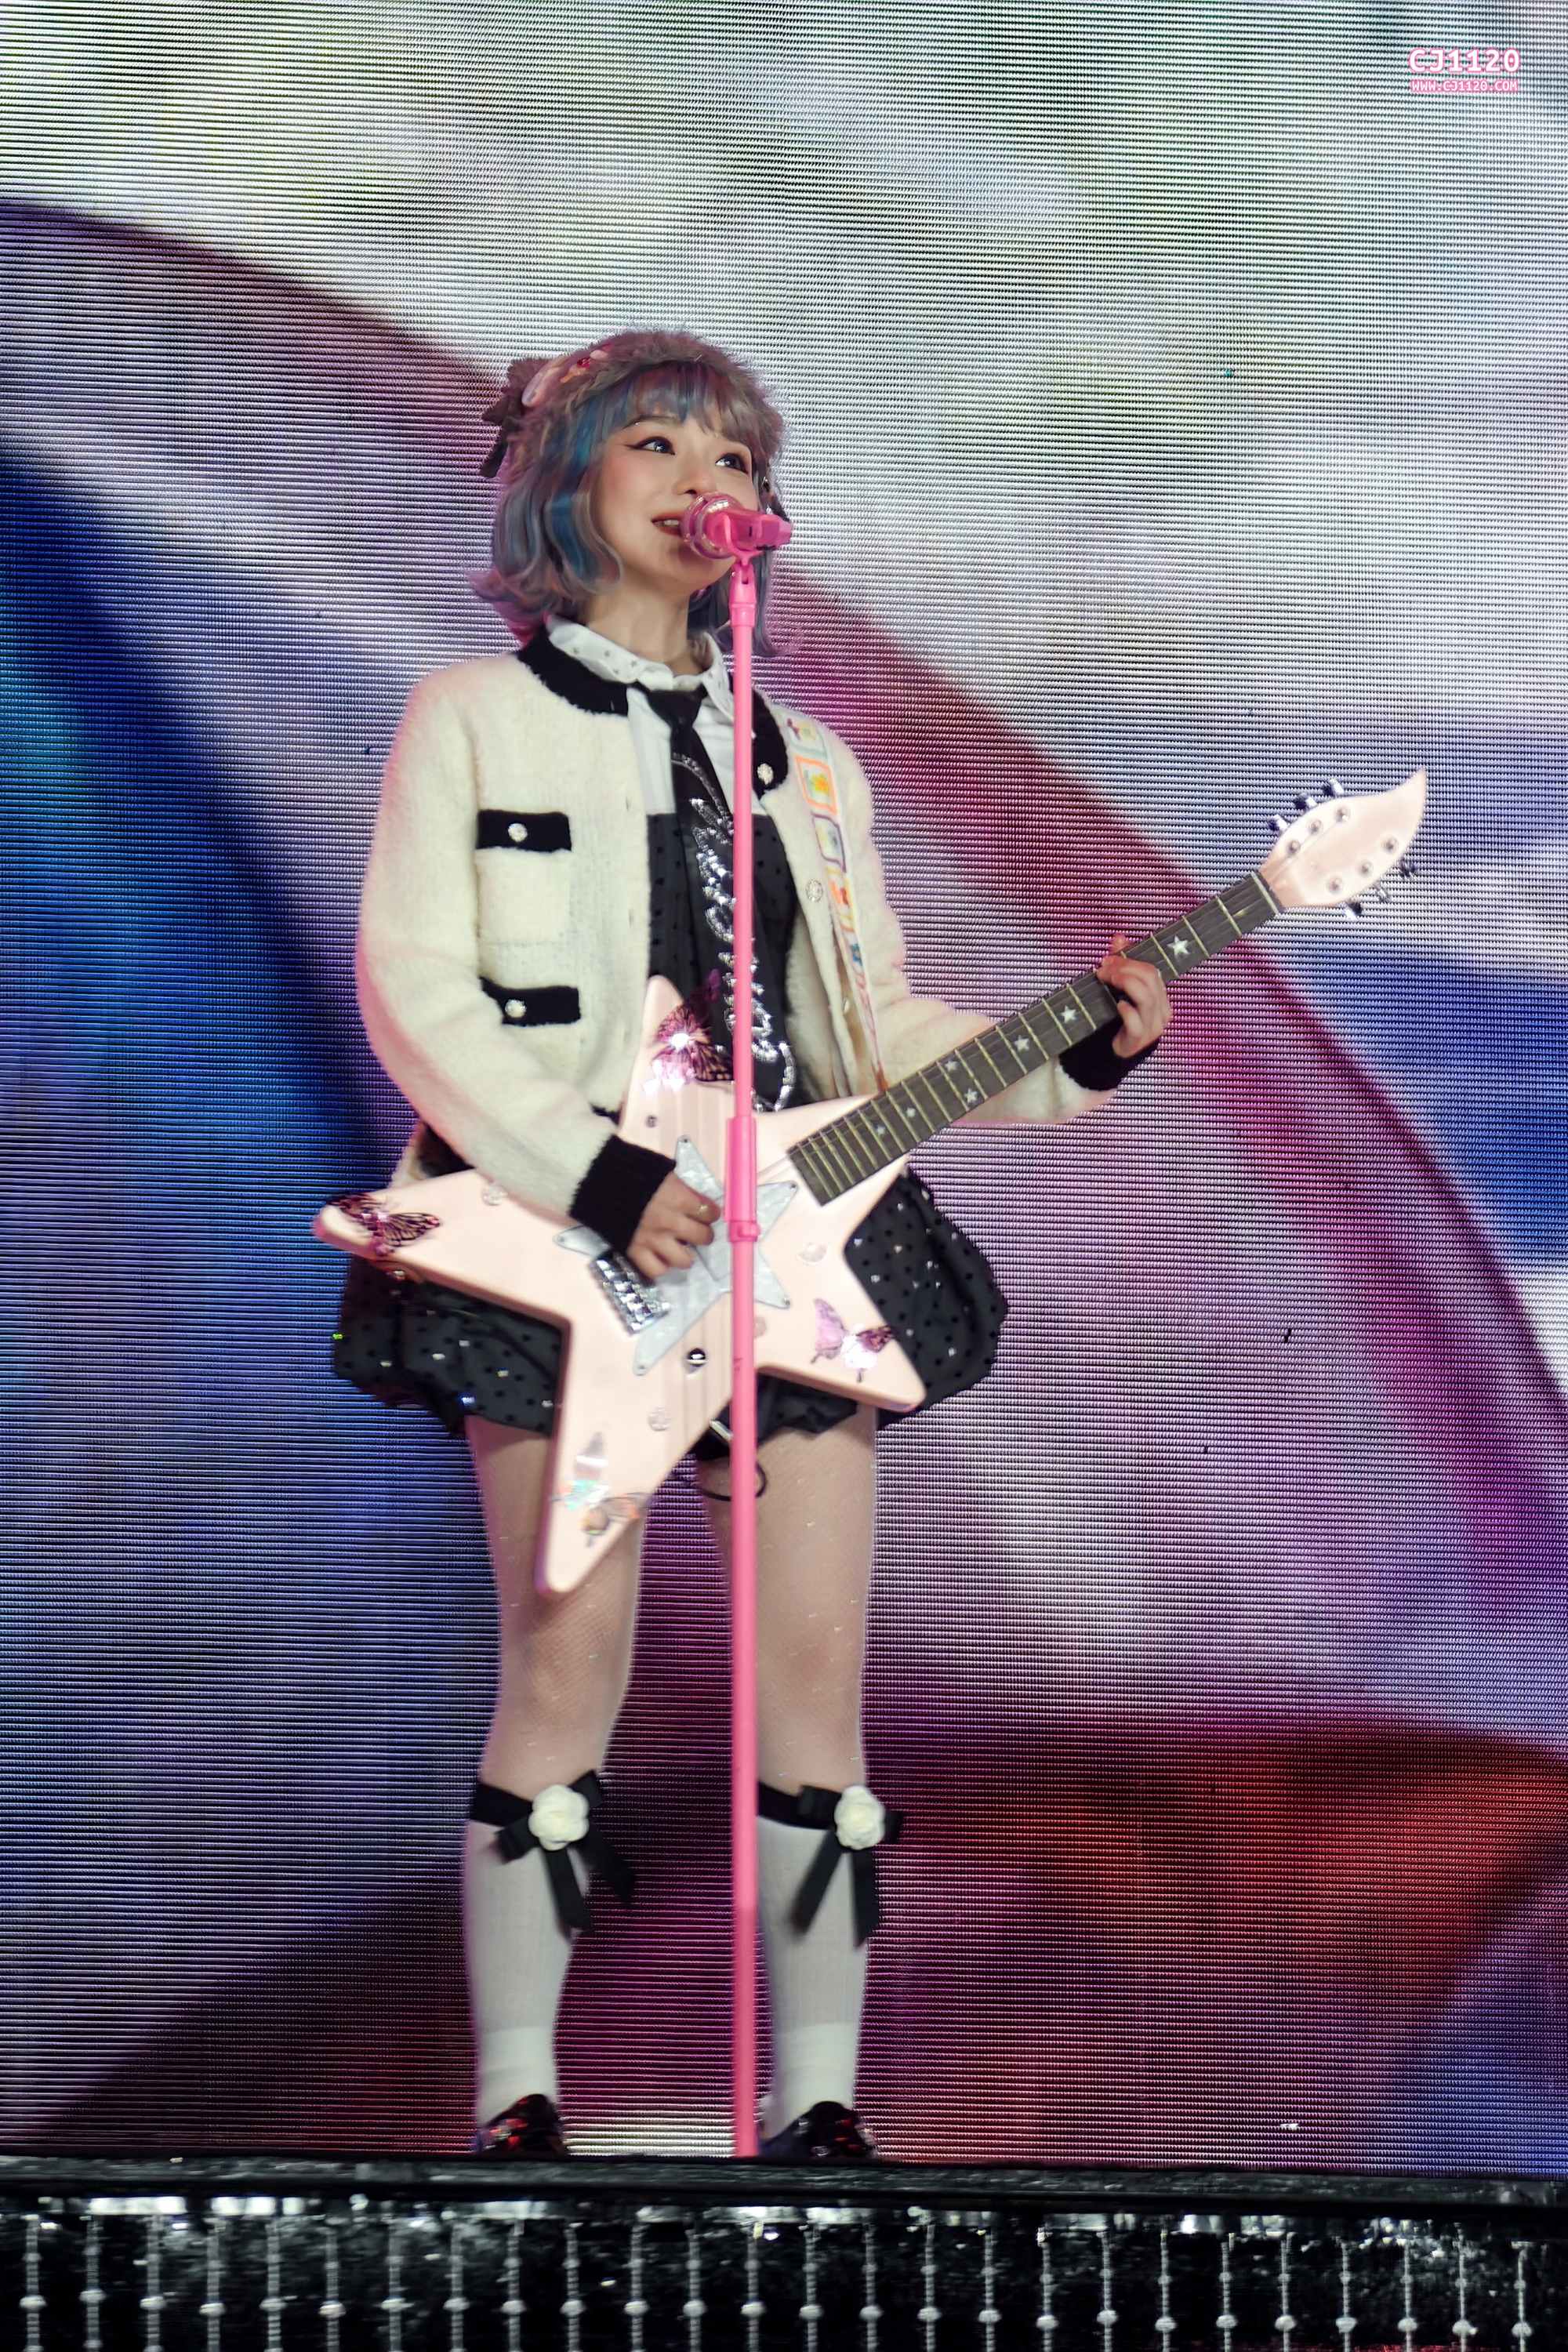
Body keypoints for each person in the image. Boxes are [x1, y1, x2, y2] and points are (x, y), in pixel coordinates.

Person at [330, 328, 1172, 2161]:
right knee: (569, 1667)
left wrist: (1073, 1049)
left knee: (813, 1690)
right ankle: (515, 2099)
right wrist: (596, 1178)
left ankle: (819, 2104)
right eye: (654, 443)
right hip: (551, 1249)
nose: (701, 477)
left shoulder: (807, 765)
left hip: (790, 1253)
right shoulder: (470, 718)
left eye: (732, 454)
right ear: (566, 486)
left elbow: (864, 1037)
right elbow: (416, 992)